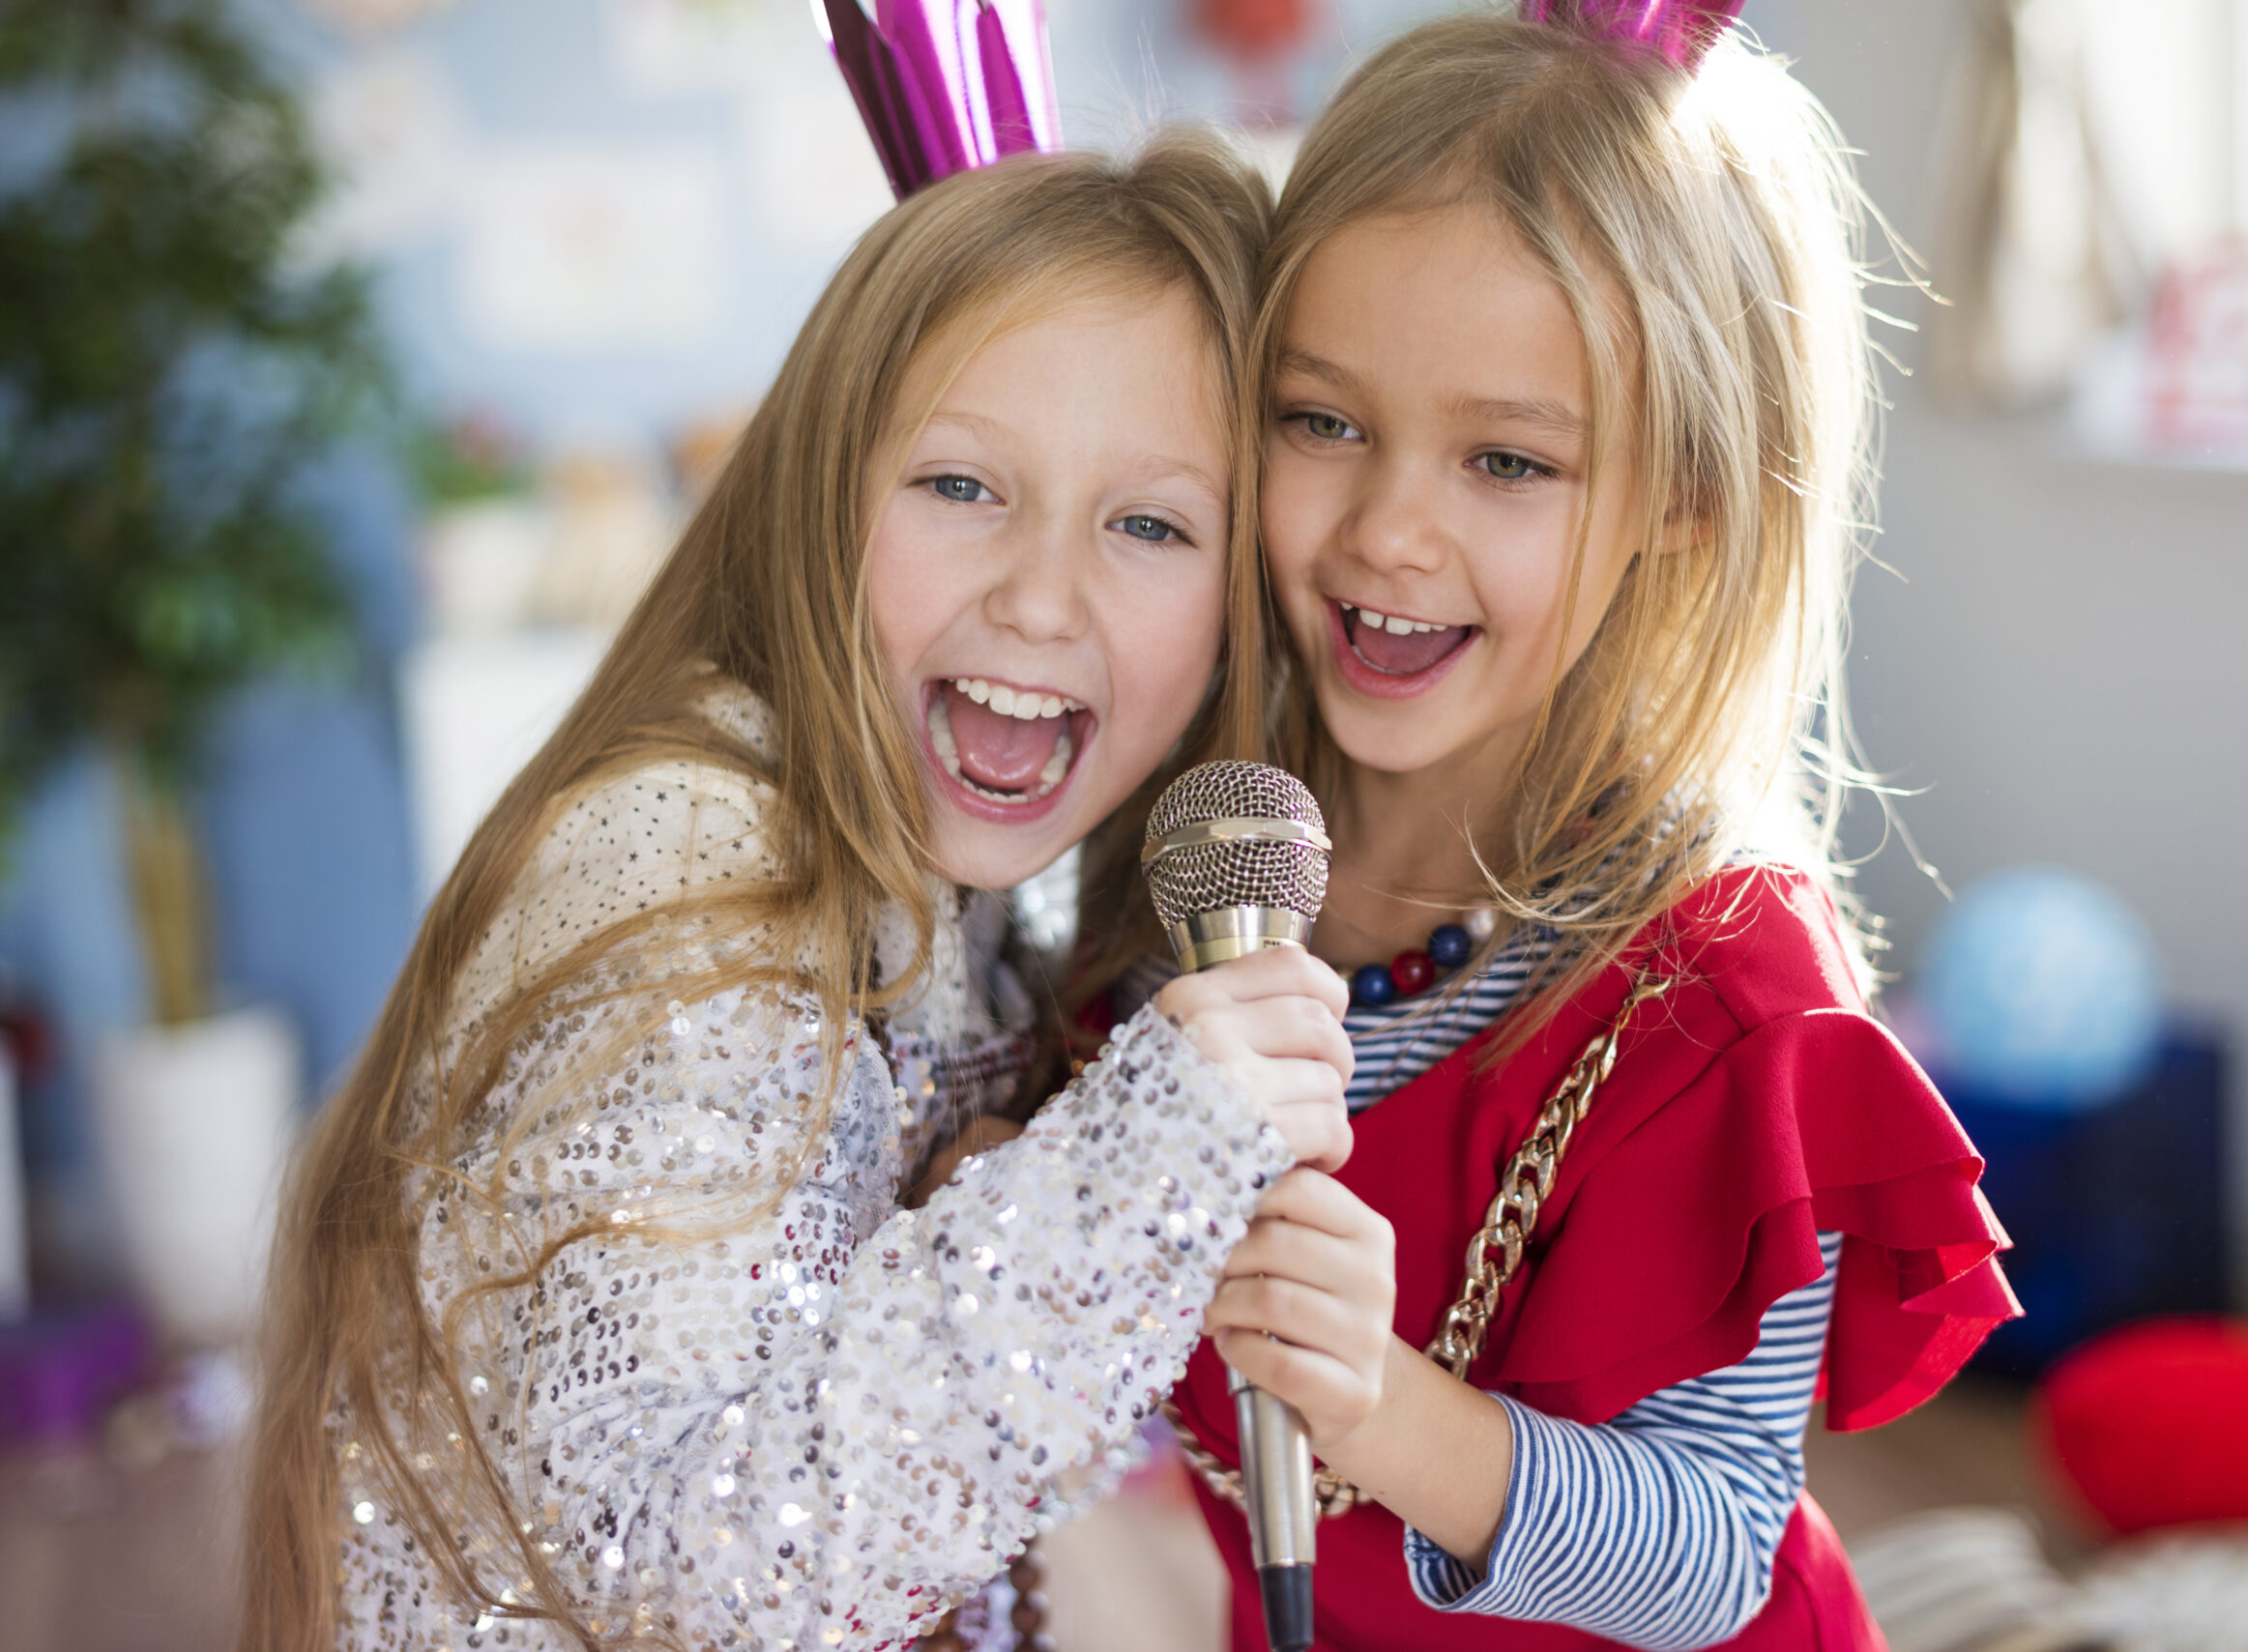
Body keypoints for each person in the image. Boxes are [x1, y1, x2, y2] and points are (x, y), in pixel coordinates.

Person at [239, 131, 1359, 1652]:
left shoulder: (958, 910)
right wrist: (1137, 1167)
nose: (1041, 595)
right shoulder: (696, 872)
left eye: (1149, 524)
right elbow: (687, 1581)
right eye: (960, 484)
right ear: (821, 497)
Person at [1136, 5, 2022, 1647]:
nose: (1390, 530)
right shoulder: (1208, 867)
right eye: (1324, 421)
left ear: (1687, 492)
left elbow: (1709, 1553)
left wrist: (1375, 1396)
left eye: (1506, 460)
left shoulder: (1721, 985)